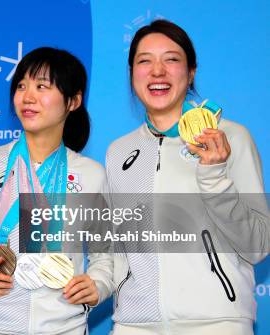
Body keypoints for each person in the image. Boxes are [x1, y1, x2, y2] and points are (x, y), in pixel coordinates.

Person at [106, 19, 268, 334]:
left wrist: (214, 176)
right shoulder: (118, 151)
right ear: (131, 74)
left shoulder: (231, 138)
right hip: (134, 325)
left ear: (191, 71)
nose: (157, 71)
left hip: (217, 323)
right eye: (144, 61)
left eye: (171, 59)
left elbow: (257, 246)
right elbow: (117, 251)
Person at [0, 47, 113, 335]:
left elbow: (107, 252)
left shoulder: (92, 174)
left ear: (73, 101)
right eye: (21, 86)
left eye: (42, 86)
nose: (27, 97)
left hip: (65, 327)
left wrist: (99, 283)